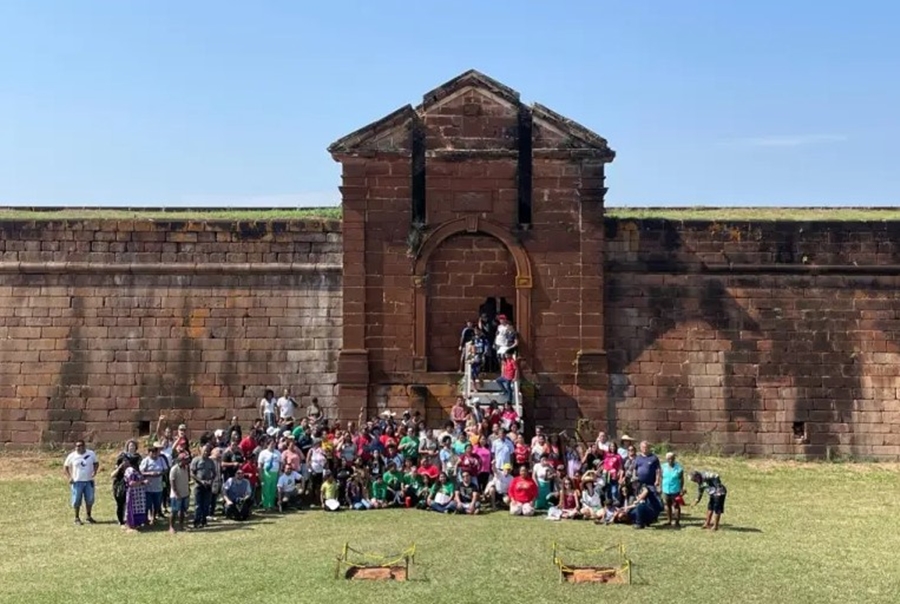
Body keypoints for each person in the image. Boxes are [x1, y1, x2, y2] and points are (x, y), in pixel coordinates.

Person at [64, 439, 99, 525]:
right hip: (77, 481)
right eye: (77, 446)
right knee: (76, 500)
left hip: (88, 481)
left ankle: (88, 516)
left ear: (84, 446)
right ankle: (76, 518)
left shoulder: (91, 454)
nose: (78, 447)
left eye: (80, 446)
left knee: (90, 499)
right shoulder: (72, 456)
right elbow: (66, 466)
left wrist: (94, 471)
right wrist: (69, 477)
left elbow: (96, 463)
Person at [111, 440, 142, 527]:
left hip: (133, 482)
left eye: (133, 446)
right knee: (121, 502)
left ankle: (131, 520)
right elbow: (114, 472)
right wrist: (121, 466)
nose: (132, 447)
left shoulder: (138, 457)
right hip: (121, 482)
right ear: (127, 447)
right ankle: (121, 521)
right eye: (130, 445)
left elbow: (140, 469)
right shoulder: (122, 456)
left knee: (132, 503)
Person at [139, 443, 167, 524]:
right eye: (152, 452)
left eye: (155, 452)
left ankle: (153, 517)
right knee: (148, 504)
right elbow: (141, 472)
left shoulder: (161, 459)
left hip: (158, 486)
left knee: (157, 504)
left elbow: (166, 469)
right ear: (149, 453)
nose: (154, 454)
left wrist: (160, 473)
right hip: (148, 487)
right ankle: (145, 519)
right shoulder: (146, 460)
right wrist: (150, 474)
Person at [190, 444, 217, 529]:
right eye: (205, 451)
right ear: (201, 450)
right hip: (198, 485)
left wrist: (211, 481)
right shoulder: (196, 460)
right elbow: (192, 473)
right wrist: (200, 481)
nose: (206, 452)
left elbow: (214, 473)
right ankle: (196, 521)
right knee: (198, 505)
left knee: (206, 504)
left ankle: (204, 521)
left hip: (208, 485)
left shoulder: (210, 461)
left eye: (208, 451)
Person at [257, 437, 282, 510]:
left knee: (273, 490)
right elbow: (260, 464)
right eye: (271, 444)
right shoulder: (263, 453)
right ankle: (266, 505)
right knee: (266, 490)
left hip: (275, 473)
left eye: (274, 444)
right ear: (267, 444)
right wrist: (260, 475)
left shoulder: (278, 453)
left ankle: (272, 505)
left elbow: (280, 463)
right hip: (267, 473)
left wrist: (279, 472)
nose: (273, 445)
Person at [169, 453, 191, 533]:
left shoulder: (186, 468)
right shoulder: (174, 469)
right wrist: (176, 493)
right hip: (176, 494)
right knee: (174, 511)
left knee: (182, 511)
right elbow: (172, 482)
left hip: (185, 493)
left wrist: (188, 489)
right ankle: (171, 527)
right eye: (186, 459)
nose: (188, 461)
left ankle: (181, 526)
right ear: (181, 460)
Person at [661, 452, 684, 527]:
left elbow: (681, 480)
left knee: (676, 505)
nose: (670, 460)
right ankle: (669, 520)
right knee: (667, 505)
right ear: (666, 459)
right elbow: (660, 477)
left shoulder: (679, 468)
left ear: (674, 459)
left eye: (672, 458)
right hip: (665, 489)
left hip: (675, 490)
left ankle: (677, 522)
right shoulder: (663, 467)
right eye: (669, 459)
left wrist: (681, 489)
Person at [123, 465, 149, 530]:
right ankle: (131, 524)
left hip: (139, 494)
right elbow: (131, 483)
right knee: (132, 509)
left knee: (139, 509)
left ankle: (137, 524)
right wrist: (142, 482)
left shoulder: (136, 470)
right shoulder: (130, 470)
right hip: (133, 493)